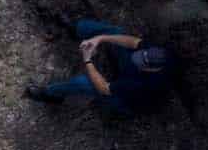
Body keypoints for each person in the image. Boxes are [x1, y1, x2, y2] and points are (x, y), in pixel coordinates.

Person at [24, 20, 170, 111]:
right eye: (140, 54)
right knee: (115, 32)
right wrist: (99, 39)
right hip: (132, 72)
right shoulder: (159, 53)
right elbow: (133, 42)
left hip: (124, 100)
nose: (136, 57)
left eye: (140, 61)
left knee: (82, 82)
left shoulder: (143, 84)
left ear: (151, 69)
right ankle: (75, 28)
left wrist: (87, 60)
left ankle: (49, 94)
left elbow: (104, 88)